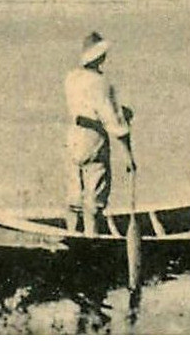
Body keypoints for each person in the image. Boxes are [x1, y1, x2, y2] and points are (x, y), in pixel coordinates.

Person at [64, 31, 134, 234]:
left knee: (75, 190)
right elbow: (115, 122)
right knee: (95, 193)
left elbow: (85, 106)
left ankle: (71, 235)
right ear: (100, 57)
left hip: (74, 135)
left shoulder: (71, 78)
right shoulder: (102, 83)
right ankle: (91, 238)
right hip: (93, 138)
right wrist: (128, 157)